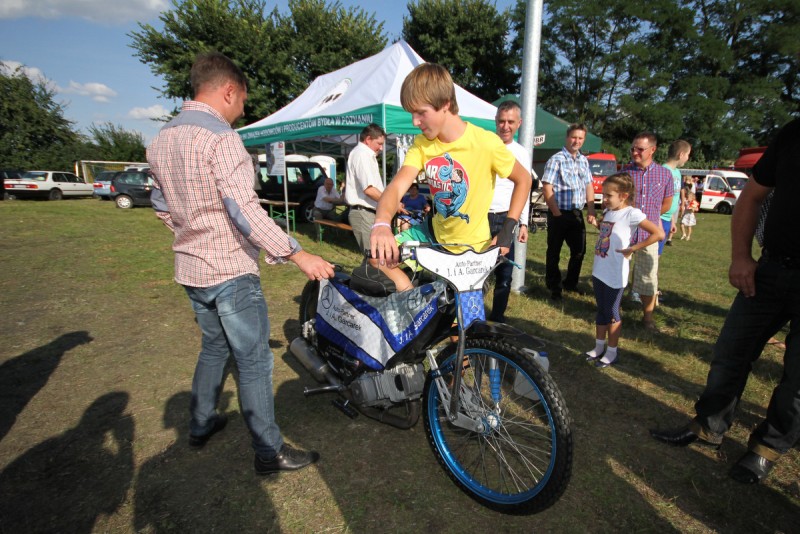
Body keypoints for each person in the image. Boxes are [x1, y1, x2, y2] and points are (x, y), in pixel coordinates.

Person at [146, 51, 334, 476]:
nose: (242, 110)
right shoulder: (221, 139)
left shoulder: (160, 140)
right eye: (242, 100)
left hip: (190, 267)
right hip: (229, 270)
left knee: (214, 346)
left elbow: (160, 206)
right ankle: (269, 452)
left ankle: (200, 422)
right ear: (228, 90)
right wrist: (296, 252)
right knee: (252, 361)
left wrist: (188, 232)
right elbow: (244, 211)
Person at [650, 117, 800, 485]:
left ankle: (766, 449)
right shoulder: (794, 133)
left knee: (797, 379)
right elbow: (752, 194)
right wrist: (740, 256)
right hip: (772, 268)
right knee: (730, 351)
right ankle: (708, 425)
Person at [369, 63, 531, 292]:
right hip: (432, 235)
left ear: (445, 104)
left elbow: (524, 179)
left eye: (421, 113)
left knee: (460, 325)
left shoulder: (485, 142)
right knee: (377, 257)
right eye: (411, 114)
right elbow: (396, 187)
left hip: (471, 251)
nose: (414, 122)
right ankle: (410, 299)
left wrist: (507, 231)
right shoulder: (423, 144)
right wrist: (382, 223)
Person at [585, 173, 664, 367]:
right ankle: (598, 346)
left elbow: (658, 233)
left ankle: (612, 352)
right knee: (601, 310)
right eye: (603, 195)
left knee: (612, 312)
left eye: (608, 195)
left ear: (623, 195)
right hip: (599, 270)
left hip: (615, 274)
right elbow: (608, 234)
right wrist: (598, 224)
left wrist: (633, 249)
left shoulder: (632, 213)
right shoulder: (609, 212)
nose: (604, 199)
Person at [619, 132, 674, 330]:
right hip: (624, 233)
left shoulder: (664, 174)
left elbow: (667, 203)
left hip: (649, 235)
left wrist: (648, 220)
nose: (635, 152)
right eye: (633, 148)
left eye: (639, 149)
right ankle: (612, 310)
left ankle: (648, 317)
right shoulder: (624, 173)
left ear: (653, 150)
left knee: (648, 277)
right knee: (617, 273)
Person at [488, 100, 533, 322]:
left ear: (519, 124)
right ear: (496, 122)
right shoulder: (486, 146)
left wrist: (523, 223)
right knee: (477, 272)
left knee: (504, 275)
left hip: (507, 219)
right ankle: (472, 319)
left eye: (510, 122)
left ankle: (496, 320)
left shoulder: (521, 153)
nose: (505, 126)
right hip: (481, 218)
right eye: (501, 121)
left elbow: (524, 189)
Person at [542, 124, 597, 301]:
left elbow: (589, 185)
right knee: (554, 251)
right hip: (559, 213)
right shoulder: (556, 159)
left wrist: (591, 211)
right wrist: (556, 212)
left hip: (576, 213)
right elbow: (547, 186)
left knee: (579, 251)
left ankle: (570, 283)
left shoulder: (583, 160)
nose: (577, 141)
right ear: (567, 138)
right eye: (574, 137)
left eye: (580, 138)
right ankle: (553, 285)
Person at [345, 123, 386, 251]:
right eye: (379, 143)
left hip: (367, 213)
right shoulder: (362, 154)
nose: (382, 148)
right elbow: (369, 189)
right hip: (364, 213)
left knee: (373, 258)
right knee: (374, 257)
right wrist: (391, 203)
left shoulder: (365, 154)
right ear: (368, 139)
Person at [660, 140, 691, 249]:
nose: (688, 158)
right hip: (659, 220)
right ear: (681, 154)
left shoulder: (677, 172)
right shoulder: (663, 171)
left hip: (667, 219)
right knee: (652, 256)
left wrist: (672, 221)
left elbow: (673, 199)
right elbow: (657, 199)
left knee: (658, 254)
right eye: (688, 155)